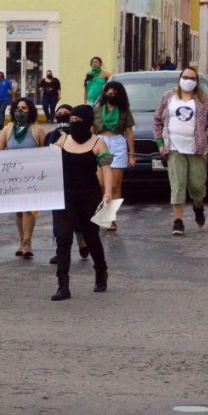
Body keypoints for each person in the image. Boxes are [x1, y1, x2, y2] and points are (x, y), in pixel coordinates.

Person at [51, 105, 112, 300]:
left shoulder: (99, 143)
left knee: (91, 236)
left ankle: (101, 272)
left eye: (78, 120)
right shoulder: (63, 140)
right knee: (64, 238)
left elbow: (106, 169)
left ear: (87, 122)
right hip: (65, 195)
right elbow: (43, 161)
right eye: (72, 120)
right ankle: (63, 285)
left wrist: (108, 193)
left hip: (89, 195)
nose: (74, 123)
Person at [153, 67, 208, 235]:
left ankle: (198, 206)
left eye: (192, 78)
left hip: (196, 149)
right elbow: (157, 120)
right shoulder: (168, 96)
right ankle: (178, 221)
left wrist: (206, 137)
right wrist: (160, 143)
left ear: (197, 82)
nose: (188, 80)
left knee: (197, 186)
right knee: (178, 185)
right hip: (175, 148)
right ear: (179, 78)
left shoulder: (204, 98)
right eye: (185, 77)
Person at [0, 97, 46, 259]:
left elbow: (46, 153)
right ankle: (22, 240)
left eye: (24, 108)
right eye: (17, 108)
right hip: (13, 177)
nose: (20, 111)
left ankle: (27, 242)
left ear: (30, 111)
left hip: (32, 176)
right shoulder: (7, 130)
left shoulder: (37, 130)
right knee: (19, 211)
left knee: (28, 209)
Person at [93, 82, 135, 232]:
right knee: (100, 184)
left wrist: (132, 155)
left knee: (116, 186)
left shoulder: (124, 111)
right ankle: (100, 214)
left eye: (114, 94)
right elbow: (91, 131)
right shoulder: (96, 110)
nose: (111, 96)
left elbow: (129, 133)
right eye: (108, 93)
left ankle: (111, 218)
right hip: (100, 143)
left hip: (117, 143)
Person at [43, 105, 82, 265]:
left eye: (66, 113)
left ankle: (81, 238)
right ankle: (60, 250)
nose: (62, 115)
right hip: (56, 181)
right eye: (59, 113)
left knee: (78, 213)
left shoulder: (80, 134)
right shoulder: (50, 136)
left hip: (75, 180)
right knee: (57, 217)